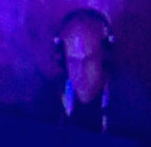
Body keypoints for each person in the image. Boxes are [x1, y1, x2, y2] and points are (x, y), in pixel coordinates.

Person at [30, 8, 145, 138]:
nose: (80, 72)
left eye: (89, 60)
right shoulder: (48, 100)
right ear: (63, 60)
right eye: (73, 61)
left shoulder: (133, 104)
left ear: (105, 57)